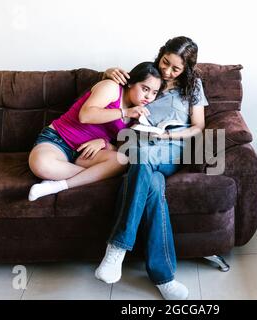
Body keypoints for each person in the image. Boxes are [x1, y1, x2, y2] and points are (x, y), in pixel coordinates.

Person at [95, 36, 209, 300]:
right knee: (154, 184)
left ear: (187, 69)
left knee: (143, 159)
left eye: (175, 69)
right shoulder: (148, 75)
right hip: (137, 142)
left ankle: (116, 249)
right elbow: (116, 96)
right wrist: (108, 73)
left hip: (172, 144)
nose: (167, 72)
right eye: (165, 62)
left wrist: (168, 136)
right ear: (160, 55)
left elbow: (198, 127)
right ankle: (164, 278)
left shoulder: (193, 87)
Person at [27, 62, 162, 201]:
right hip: (59, 139)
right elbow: (85, 116)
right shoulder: (112, 88)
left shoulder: (138, 114)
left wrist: (104, 142)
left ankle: (57, 185)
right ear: (131, 83)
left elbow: (121, 148)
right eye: (145, 89)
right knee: (40, 164)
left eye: (154, 93)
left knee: (121, 161)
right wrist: (125, 112)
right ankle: (91, 176)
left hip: (86, 153)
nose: (148, 97)